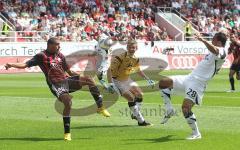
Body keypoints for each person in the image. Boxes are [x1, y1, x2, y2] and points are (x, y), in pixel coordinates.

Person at [4, 37, 110, 141]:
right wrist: (11, 64)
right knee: (68, 102)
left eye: (59, 44)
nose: (59, 46)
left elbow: (69, 72)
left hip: (66, 80)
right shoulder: (41, 56)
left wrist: (81, 77)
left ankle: (100, 107)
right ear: (50, 45)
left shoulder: (60, 55)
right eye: (57, 44)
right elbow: (25, 64)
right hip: (56, 84)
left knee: (89, 80)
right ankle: (67, 133)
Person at [159, 32, 228, 140]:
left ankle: (196, 133)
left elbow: (215, 50)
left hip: (198, 83)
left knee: (185, 108)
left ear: (219, 41)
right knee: (163, 82)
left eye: (213, 39)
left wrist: (202, 40)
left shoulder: (223, 51)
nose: (212, 40)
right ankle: (169, 110)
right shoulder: (212, 53)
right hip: (189, 78)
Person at [107, 39, 155, 126]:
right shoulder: (119, 57)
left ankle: (134, 114)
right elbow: (109, 70)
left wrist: (147, 78)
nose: (132, 49)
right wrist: (110, 83)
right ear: (127, 47)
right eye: (130, 47)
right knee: (131, 98)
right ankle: (141, 121)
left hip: (127, 79)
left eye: (133, 47)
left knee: (140, 94)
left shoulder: (135, 59)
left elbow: (138, 70)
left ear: (136, 48)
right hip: (117, 81)